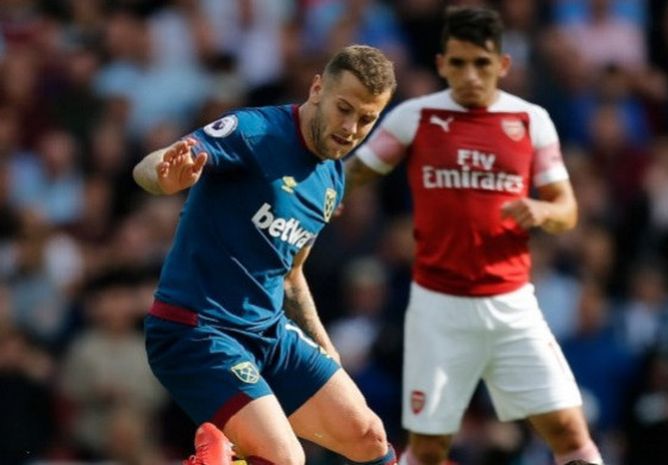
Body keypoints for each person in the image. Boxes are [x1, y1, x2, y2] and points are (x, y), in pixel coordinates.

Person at [344, 7, 604, 465]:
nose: (469, 75)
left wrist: (543, 209)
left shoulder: (530, 120)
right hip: (437, 307)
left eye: (481, 63)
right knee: (427, 449)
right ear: (443, 63)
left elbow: (567, 209)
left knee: (569, 433)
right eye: (459, 63)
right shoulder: (415, 117)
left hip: (512, 305)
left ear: (502, 65)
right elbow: (351, 175)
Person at [133, 44, 397, 465]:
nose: (351, 127)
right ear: (317, 89)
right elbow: (149, 167)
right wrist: (165, 178)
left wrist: (323, 344)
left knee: (369, 437)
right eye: (344, 108)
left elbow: (292, 274)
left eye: (366, 119)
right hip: (196, 330)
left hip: (268, 334)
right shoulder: (255, 132)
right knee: (286, 460)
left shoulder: (331, 178)